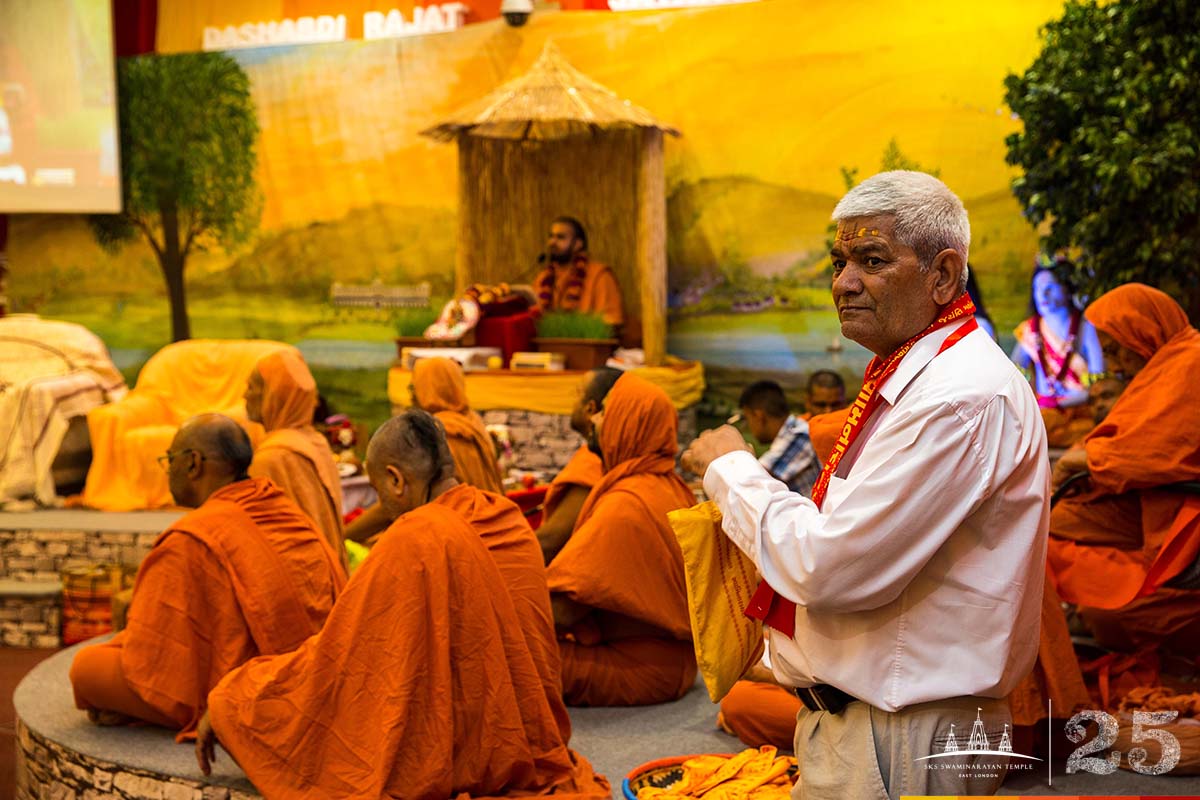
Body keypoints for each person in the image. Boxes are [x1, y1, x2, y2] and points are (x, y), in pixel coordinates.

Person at [682, 171, 1048, 799]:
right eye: (839, 260)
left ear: (942, 274)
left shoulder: (958, 396)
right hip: (879, 727)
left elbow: (829, 565)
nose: (842, 282)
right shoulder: (917, 374)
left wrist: (731, 469)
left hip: (899, 738)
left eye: (871, 260)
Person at [195, 411, 609, 799]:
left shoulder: (414, 537)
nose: (383, 504)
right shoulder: (508, 518)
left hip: (465, 748)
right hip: (533, 736)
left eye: (378, 490)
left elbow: (339, 656)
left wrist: (235, 700)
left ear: (395, 480)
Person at [69, 414, 345, 739]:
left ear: (193, 463)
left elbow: (154, 652)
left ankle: (174, 711)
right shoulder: (282, 508)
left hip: (250, 684)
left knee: (85, 669)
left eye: (169, 460)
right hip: (319, 669)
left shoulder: (193, 535)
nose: (167, 470)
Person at [1048, 283, 1200, 661]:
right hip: (1141, 503)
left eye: (1116, 350)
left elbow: (1151, 453)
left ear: (1143, 332)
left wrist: (1075, 461)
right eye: (1107, 353)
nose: (1114, 366)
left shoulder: (1190, 362)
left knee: (1104, 613)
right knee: (1036, 528)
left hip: (1176, 514)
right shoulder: (1167, 365)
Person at [546, 373, 698, 706]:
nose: (596, 419)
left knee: (511, 656)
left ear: (629, 424)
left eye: (606, 412)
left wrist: (501, 607)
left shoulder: (627, 503)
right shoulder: (670, 486)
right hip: (678, 663)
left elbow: (563, 611)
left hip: (642, 667)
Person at [344, 356, 503, 544]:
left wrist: (343, 536)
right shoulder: (471, 422)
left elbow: (397, 499)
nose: (411, 396)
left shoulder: (438, 433)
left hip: (461, 539)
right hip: (492, 525)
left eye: (415, 388)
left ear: (431, 389)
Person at [244, 349, 347, 571]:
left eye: (252, 387)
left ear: (273, 395)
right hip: (331, 574)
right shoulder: (316, 442)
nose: (245, 395)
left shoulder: (271, 456)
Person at [1012, 256, 1105, 446]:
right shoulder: (1030, 330)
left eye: (1051, 287)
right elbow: (1011, 373)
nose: (1042, 294)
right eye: (1037, 288)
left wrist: (1066, 402)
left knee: (1089, 429)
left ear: (1068, 289)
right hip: (1045, 411)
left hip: (1081, 408)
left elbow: (1099, 381)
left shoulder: (1085, 327)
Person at [537, 366, 623, 564]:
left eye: (577, 394)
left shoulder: (597, 460)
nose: (573, 402)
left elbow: (550, 542)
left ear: (590, 409)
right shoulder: (597, 455)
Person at [534, 216, 624, 329]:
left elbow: (612, 321)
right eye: (551, 236)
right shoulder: (543, 278)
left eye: (560, 237)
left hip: (586, 345)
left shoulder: (599, 275)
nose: (552, 242)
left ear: (578, 244)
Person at [736, 380, 821, 496]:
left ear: (758, 416)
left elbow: (747, 483)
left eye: (747, 418)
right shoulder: (794, 429)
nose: (749, 426)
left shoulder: (798, 435)